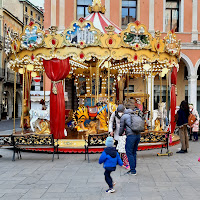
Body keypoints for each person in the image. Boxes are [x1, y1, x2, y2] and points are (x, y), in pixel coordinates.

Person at [119, 106, 143, 175]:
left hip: (131, 136)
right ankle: (133, 168)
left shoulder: (124, 116)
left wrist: (120, 134)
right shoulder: (135, 115)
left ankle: (133, 170)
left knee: (129, 152)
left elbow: (121, 127)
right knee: (134, 152)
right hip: (138, 135)